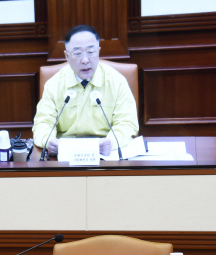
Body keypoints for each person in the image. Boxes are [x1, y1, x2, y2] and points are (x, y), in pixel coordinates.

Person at [32, 25, 139, 156]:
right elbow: (43, 123)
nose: (85, 60)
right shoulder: (54, 84)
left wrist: (110, 142)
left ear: (98, 51)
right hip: (66, 154)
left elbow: (127, 123)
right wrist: (48, 141)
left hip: (105, 153)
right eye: (77, 53)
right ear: (67, 56)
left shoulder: (117, 81)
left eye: (91, 52)